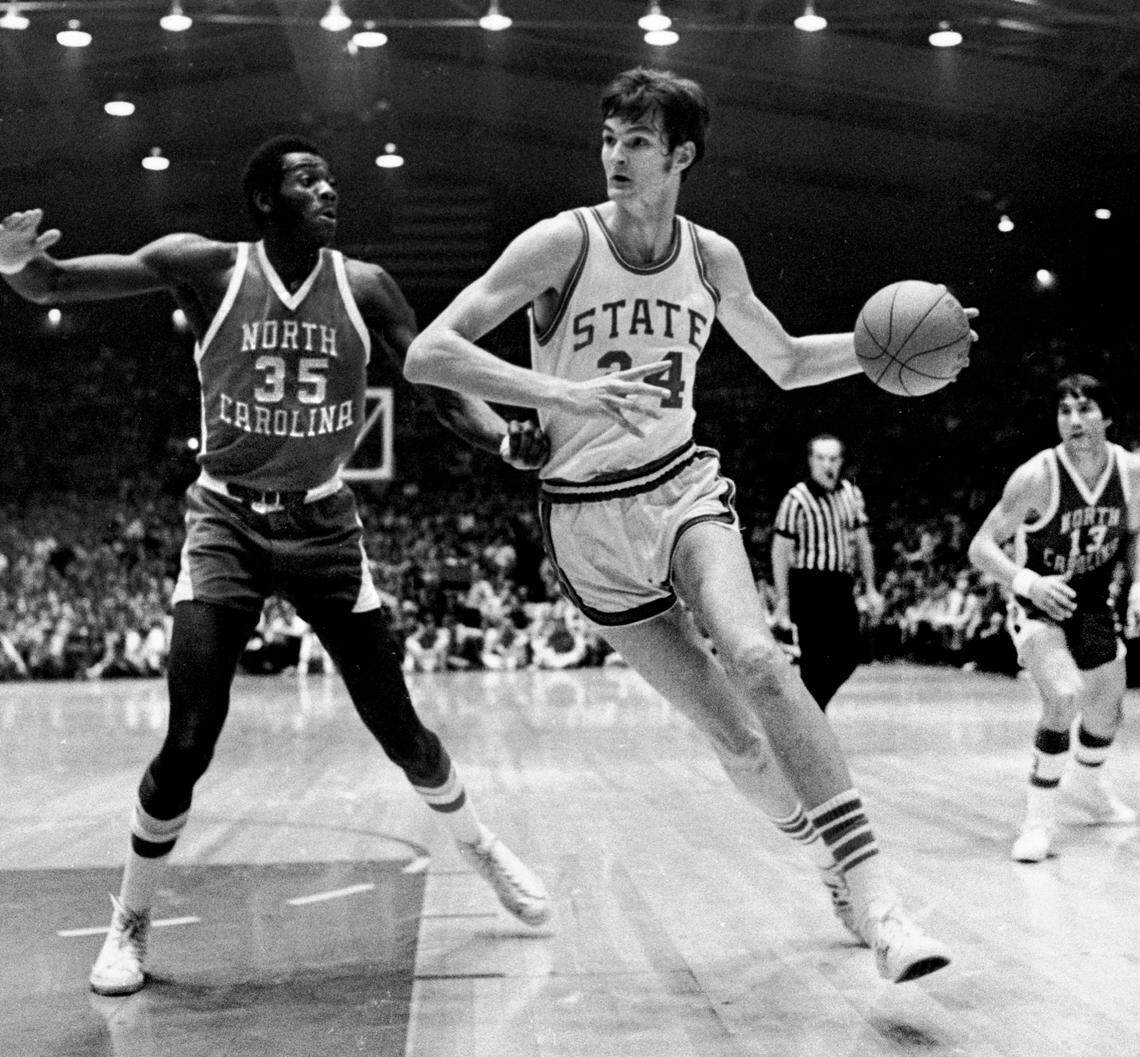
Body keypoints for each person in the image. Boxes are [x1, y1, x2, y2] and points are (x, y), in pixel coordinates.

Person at [406, 68, 977, 982]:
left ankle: (883, 908)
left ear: (681, 156)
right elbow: (429, 353)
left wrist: (894, 347)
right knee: (738, 743)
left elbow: (786, 362)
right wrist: (563, 394)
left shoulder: (712, 259)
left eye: (636, 142)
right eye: (609, 139)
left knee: (759, 659)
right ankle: (827, 863)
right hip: (583, 521)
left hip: (681, 489)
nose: (615, 156)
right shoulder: (562, 243)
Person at [0, 135, 552, 998]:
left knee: (400, 730)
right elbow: (57, 284)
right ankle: (130, 920)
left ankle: (481, 847)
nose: (328, 189)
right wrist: (14, 262)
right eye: (306, 179)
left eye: (329, 179)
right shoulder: (207, 267)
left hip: (323, 524)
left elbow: (438, 388)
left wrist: (504, 443)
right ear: (264, 199)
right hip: (225, 519)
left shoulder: (366, 287)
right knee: (189, 739)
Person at [968, 373, 1139, 862]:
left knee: (1107, 709)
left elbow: (1135, 533)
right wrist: (1028, 583)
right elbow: (980, 546)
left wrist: (1137, 585)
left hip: (1093, 600)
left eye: (1085, 409)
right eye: (1065, 411)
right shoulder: (1037, 476)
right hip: (1038, 602)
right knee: (1063, 696)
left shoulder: (1130, 472)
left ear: (1107, 417)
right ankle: (1037, 821)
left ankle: (1088, 785)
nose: (1073, 420)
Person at [770, 434, 884, 710]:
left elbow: (863, 543)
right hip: (808, 583)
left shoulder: (851, 494)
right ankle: (812, 719)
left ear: (841, 462)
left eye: (832, 458)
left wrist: (870, 586)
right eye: (820, 458)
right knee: (814, 660)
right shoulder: (796, 498)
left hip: (840, 582)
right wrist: (783, 598)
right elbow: (780, 551)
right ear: (811, 462)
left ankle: (806, 713)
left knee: (851, 653)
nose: (827, 465)